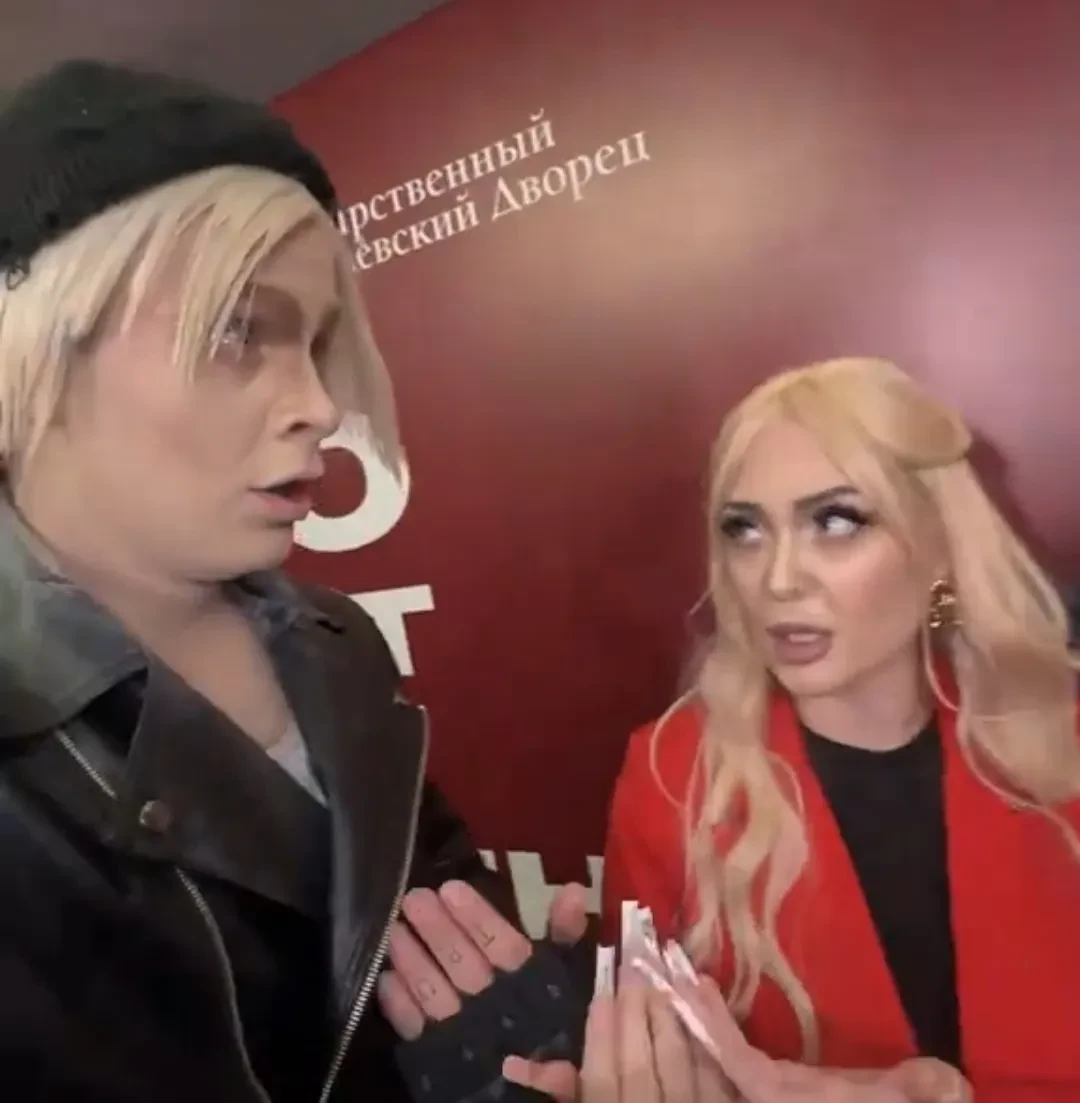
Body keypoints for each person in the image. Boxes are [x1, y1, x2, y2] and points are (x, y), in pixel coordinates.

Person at [0, 60, 590, 1102]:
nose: (320, 404)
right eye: (239, 329)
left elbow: (431, 920)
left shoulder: (332, 641)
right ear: (40, 342)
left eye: (315, 342)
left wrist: (524, 1041)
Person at [586, 357, 1080, 1101]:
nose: (779, 577)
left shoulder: (1059, 743)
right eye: (746, 529)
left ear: (938, 545)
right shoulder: (670, 779)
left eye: (837, 521)